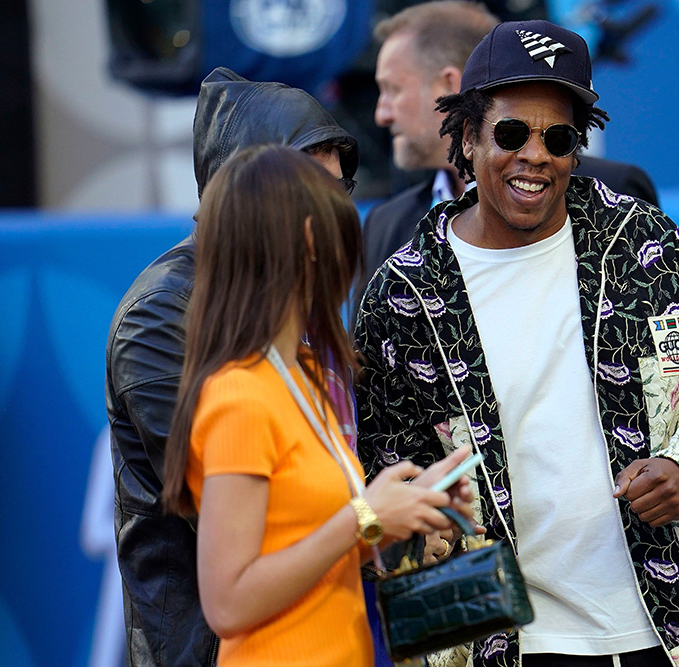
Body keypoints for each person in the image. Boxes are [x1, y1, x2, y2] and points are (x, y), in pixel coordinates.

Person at [355, 19, 679, 667]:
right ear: (467, 138)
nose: (536, 154)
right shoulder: (407, 293)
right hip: (512, 646)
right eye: (509, 133)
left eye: (558, 137)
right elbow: (390, 484)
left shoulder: (640, 242)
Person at [161, 144, 475, 666]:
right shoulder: (240, 394)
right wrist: (366, 516)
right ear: (311, 240)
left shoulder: (301, 376)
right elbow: (228, 602)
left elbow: (317, 549)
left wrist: (410, 511)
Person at [105, 67, 359, 666]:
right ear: (249, 197)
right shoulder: (162, 313)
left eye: (337, 192)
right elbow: (254, 523)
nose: (330, 219)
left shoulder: (291, 307)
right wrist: (371, 516)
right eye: (310, 199)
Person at [362, 0, 659, 288]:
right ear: (466, 137)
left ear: (449, 85)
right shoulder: (385, 225)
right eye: (512, 133)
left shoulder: (616, 193)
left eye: (393, 89)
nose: (381, 114)